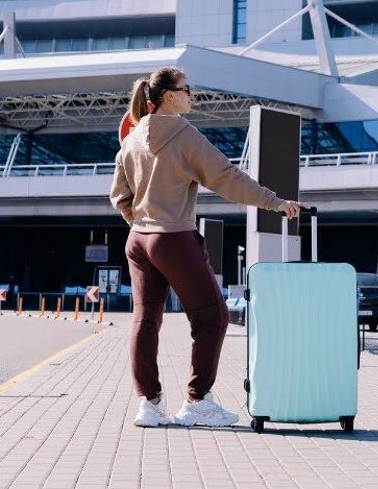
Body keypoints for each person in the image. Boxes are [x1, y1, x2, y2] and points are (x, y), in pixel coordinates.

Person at [110, 67, 306, 428]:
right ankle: (197, 402)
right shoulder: (184, 134)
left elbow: (120, 196)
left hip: (138, 240)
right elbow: (226, 178)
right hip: (173, 238)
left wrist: (140, 222)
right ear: (169, 95)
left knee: (144, 321)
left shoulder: (133, 139)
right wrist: (275, 202)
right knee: (212, 317)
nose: (191, 96)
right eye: (187, 90)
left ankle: (149, 406)